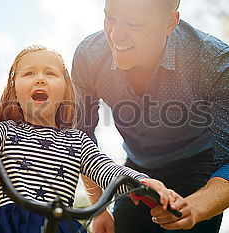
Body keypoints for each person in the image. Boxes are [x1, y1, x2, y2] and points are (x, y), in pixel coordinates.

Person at [0, 45, 177, 233]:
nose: (40, 77)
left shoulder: (77, 141)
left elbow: (108, 170)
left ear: (65, 88)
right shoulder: (6, 130)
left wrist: (142, 183)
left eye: (50, 74)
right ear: (14, 89)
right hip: (11, 226)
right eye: (29, 73)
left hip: (61, 225)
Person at [71, 0, 229, 232]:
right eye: (110, 19)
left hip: (198, 166)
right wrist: (99, 208)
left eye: (134, 24)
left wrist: (194, 207)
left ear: (170, 23)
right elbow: (80, 137)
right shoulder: (89, 56)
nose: (115, 36)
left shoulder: (214, 61)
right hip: (136, 169)